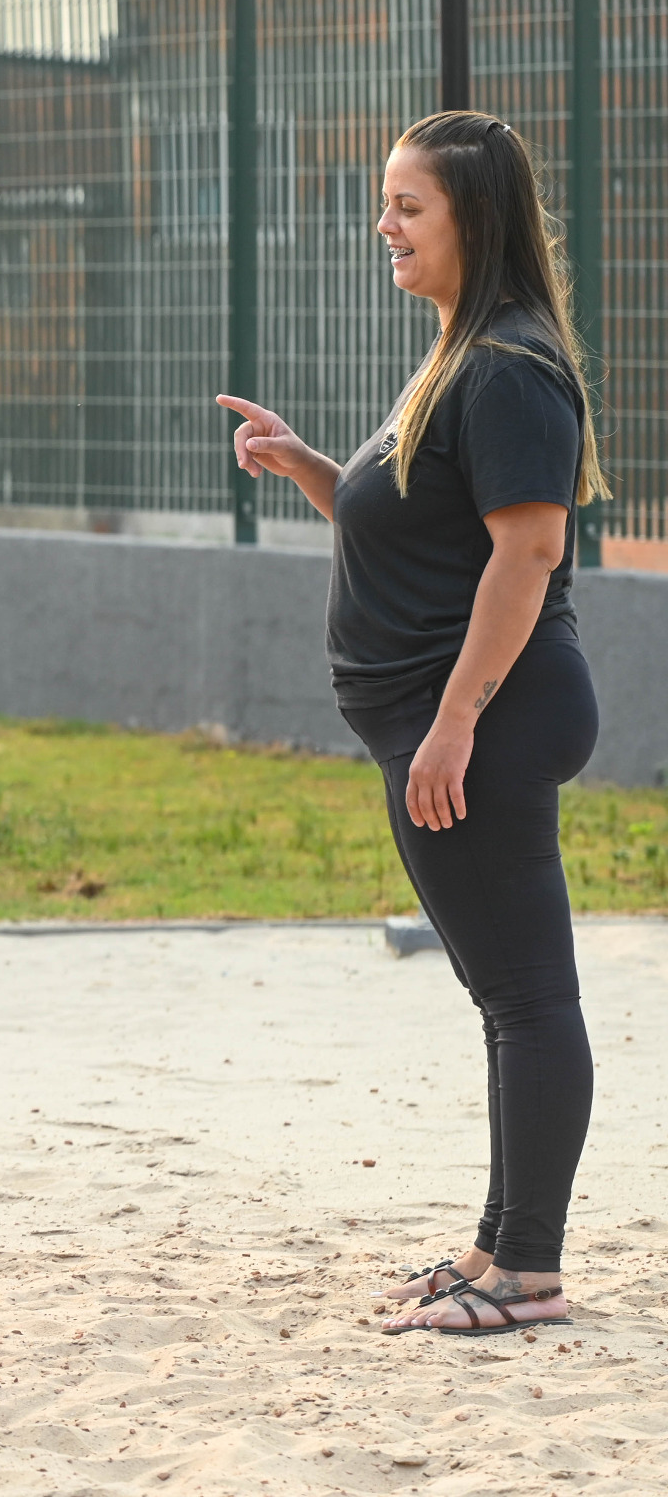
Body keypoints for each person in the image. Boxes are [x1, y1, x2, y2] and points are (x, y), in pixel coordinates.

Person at [217, 110, 606, 1339]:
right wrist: (310, 468)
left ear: (470, 221)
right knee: (507, 998)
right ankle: (500, 1244)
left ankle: (528, 1270)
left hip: (480, 719)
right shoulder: (463, 352)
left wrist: (451, 727)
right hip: (449, 718)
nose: (381, 224)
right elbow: (423, 527)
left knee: (528, 997)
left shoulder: (507, 366)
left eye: (406, 206)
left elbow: (526, 554)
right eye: (385, 203)